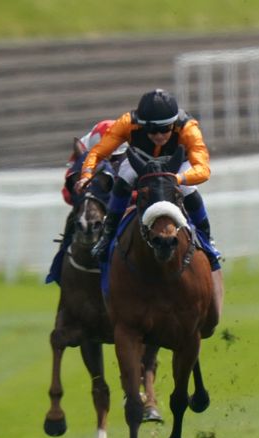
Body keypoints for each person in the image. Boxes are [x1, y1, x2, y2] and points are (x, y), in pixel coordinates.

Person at [74, 88, 223, 310]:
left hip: (175, 164)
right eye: (152, 130)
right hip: (141, 162)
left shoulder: (188, 128)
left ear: (173, 124)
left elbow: (203, 169)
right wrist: (86, 174)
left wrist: (179, 178)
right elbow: (98, 152)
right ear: (142, 124)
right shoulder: (127, 122)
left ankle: (207, 239)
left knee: (189, 190)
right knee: (122, 181)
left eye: (164, 130)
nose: (159, 135)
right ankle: (107, 236)